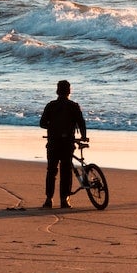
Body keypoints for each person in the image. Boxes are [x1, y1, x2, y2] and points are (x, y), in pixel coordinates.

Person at [38, 79, 88, 209]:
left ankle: (48, 199)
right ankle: (64, 200)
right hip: (67, 143)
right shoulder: (74, 106)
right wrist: (83, 137)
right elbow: (81, 123)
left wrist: (53, 127)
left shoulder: (50, 105)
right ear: (69, 91)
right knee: (66, 171)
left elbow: (42, 123)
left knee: (51, 171)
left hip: (53, 142)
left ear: (57, 91)